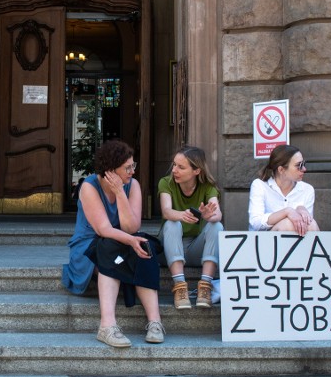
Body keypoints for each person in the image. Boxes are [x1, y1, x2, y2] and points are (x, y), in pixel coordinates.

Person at [61, 139, 164, 348]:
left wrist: (120, 194)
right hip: (89, 246)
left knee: (144, 246)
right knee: (110, 247)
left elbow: (131, 228)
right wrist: (131, 240)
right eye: (127, 168)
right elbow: (103, 230)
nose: (132, 171)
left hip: (121, 242)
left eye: (133, 166)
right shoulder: (89, 186)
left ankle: (155, 322)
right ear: (110, 170)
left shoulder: (132, 185)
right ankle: (107, 326)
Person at [158, 146, 223, 309]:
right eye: (174, 165)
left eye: (181, 167)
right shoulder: (166, 183)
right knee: (172, 223)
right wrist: (181, 215)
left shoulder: (208, 187)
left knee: (217, 226)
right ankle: (180, 287)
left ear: (196, 171)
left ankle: (205, 287)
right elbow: (166, 211)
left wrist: (210, 216)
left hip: (195, 249)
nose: (174, 170)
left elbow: (218, 213)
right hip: (169, 250)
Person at [248, 144, 319, 235]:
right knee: (287, 225)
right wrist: (287, 212)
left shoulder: (307, 189)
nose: (304, 169)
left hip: (299, 240)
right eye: (299, 165)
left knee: (311, 224)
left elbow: (306, 227)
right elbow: (255, 223)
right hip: (264, 242)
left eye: (303, 164)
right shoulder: (260, 185)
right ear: (281, 170)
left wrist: (301, 210)